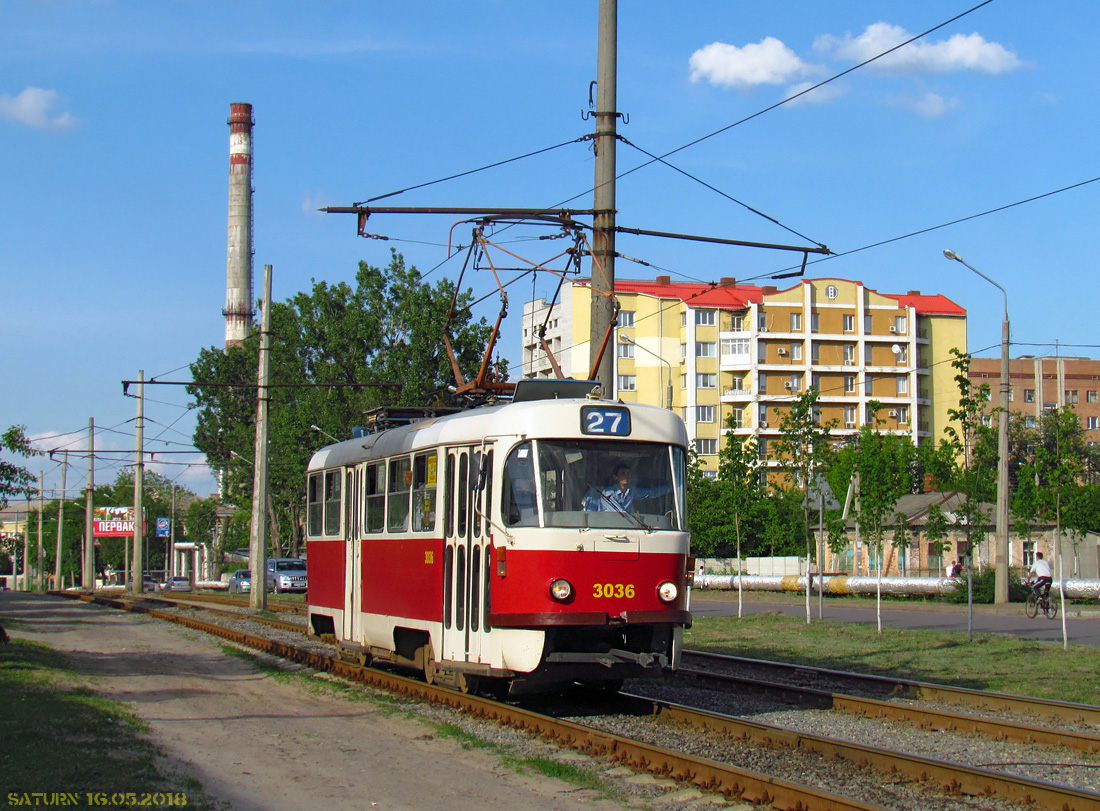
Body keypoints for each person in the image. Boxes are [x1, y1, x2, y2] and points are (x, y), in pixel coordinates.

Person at [586, 463, 670, 514]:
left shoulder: (632, 491)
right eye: (623, 473)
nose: (626, 476)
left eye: (628, 473)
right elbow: (620, 514)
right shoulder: (608, 492)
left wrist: (671, 487)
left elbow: (651, 493)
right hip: (607, 528)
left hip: (625, 528)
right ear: (615, 477)